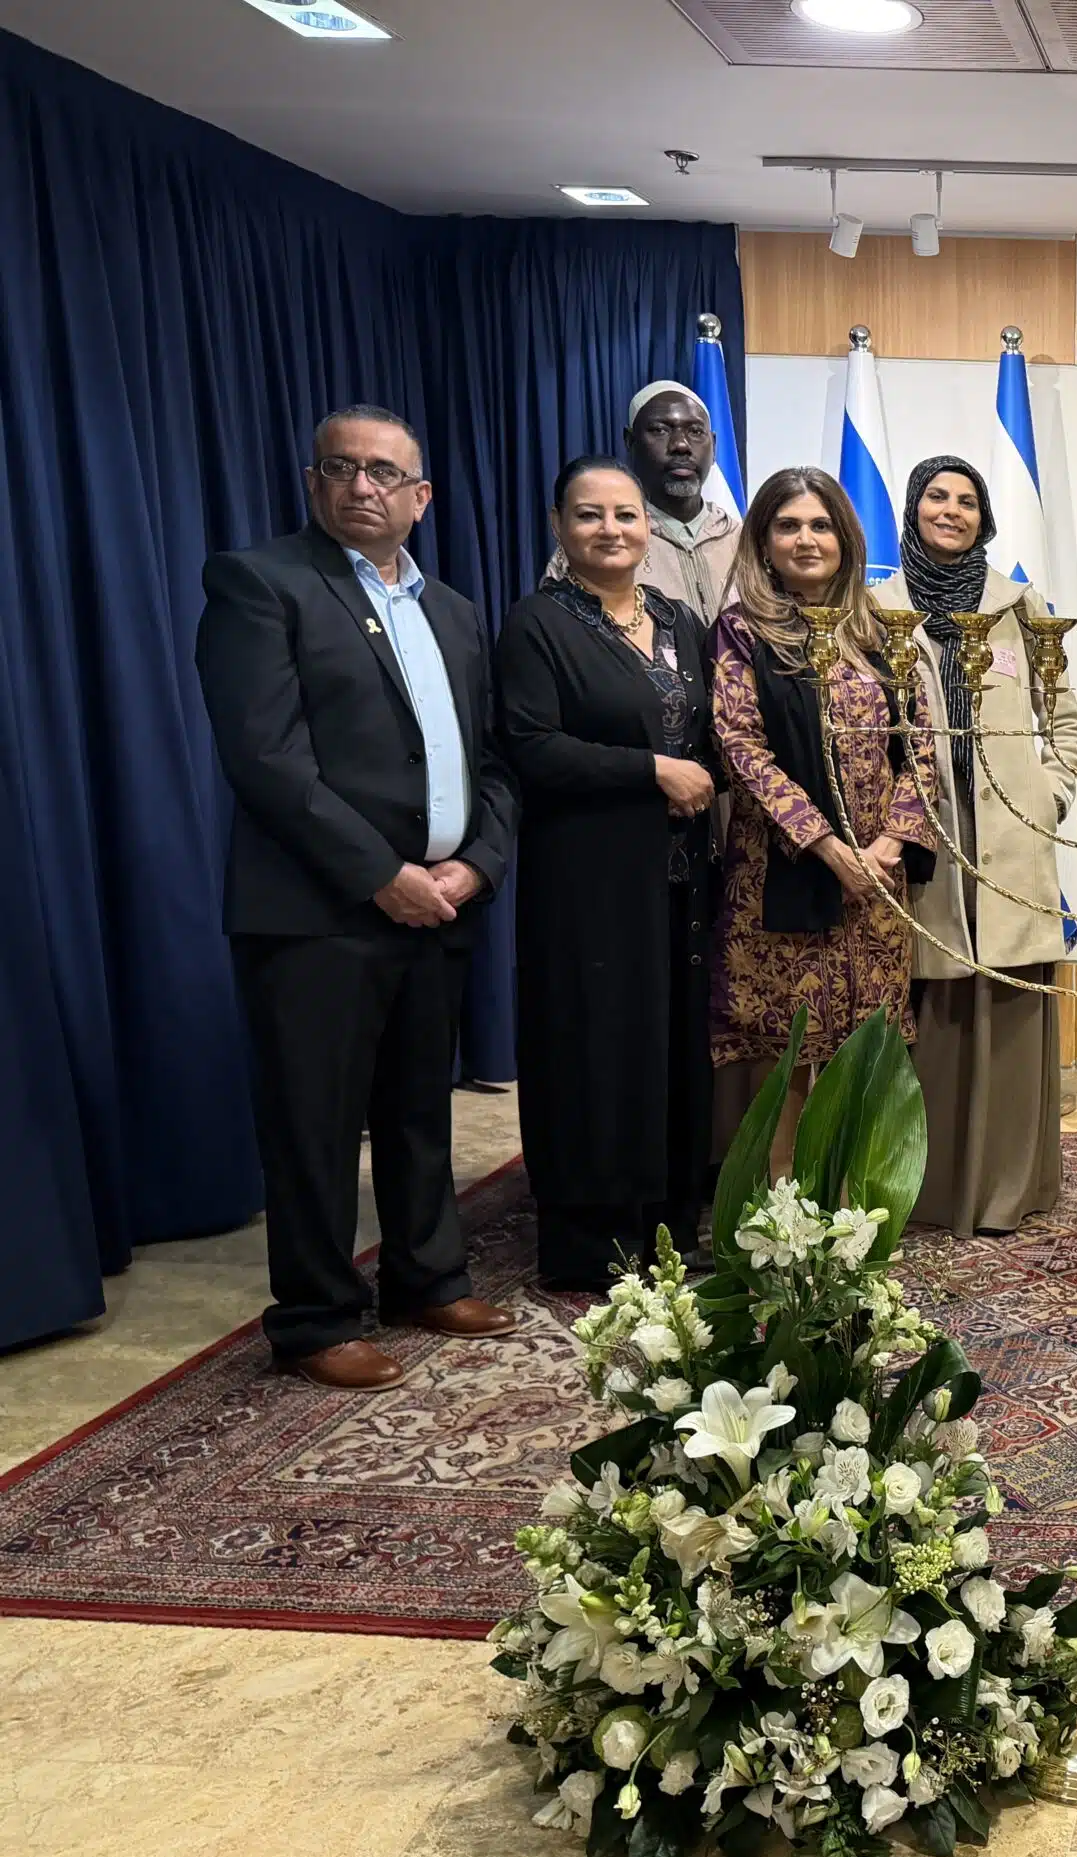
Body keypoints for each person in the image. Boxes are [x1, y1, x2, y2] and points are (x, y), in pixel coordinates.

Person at [194, 405, 521, 1392]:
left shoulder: (455, 611)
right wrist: (383, 874)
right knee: (316, 1127)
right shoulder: (260, 584)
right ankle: (315, 1318)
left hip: (441, 906)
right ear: (313, 481)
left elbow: (491, 763)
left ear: (421, 498)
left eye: (384, 473)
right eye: (342, 467)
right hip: (318, 914)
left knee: (420, 1109)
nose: (361, 485)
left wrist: (478, 865)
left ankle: (427, 1277)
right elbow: (268, 761)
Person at [497, 457, 719, 1289]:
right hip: (587, 881)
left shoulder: (678, 619)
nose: (611, 530)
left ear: (647, 527)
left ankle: (669, 1225)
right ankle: (596, 1242)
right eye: (590, 516)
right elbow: (530, 745)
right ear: (560, 526)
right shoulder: (537, 625)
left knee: (668, 1045)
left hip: (680, 878)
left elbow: (706, 734)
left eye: (625, 515)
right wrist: (650, 772)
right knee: (596, 1048)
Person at [876, 457, 1077, 1236]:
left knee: (1007, 1003)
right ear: (913, 506)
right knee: (932, 1001)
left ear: (985, 518)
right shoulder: (877, 611)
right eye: (938, 496)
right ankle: (926, 1190)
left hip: (1009, 836)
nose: (952, 511)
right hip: (920, 838)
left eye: (968, 501)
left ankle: (1006, 1187)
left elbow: (1065, 717)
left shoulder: (1019, 606)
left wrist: (1048, 795)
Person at [710, 468, 939, 1165]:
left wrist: (889, 846)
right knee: (786, 1056)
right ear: (763, 540)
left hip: (876, 885)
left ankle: (852, 1221)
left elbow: (922, 747)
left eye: (820, 525)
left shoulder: (882, 627)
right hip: (786, 874)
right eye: (788, 526)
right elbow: (740, 745)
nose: (806, 540)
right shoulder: (741, 632)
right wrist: (826, 846)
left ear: (845, 536)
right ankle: (782, 1226)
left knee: (861, 1055)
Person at [544, 382, 742, 626]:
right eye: (660, 430)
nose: (681, 445)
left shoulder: (745, 541)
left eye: (695, 432)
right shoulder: (599, 544)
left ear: (714, 445)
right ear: (630, 441)